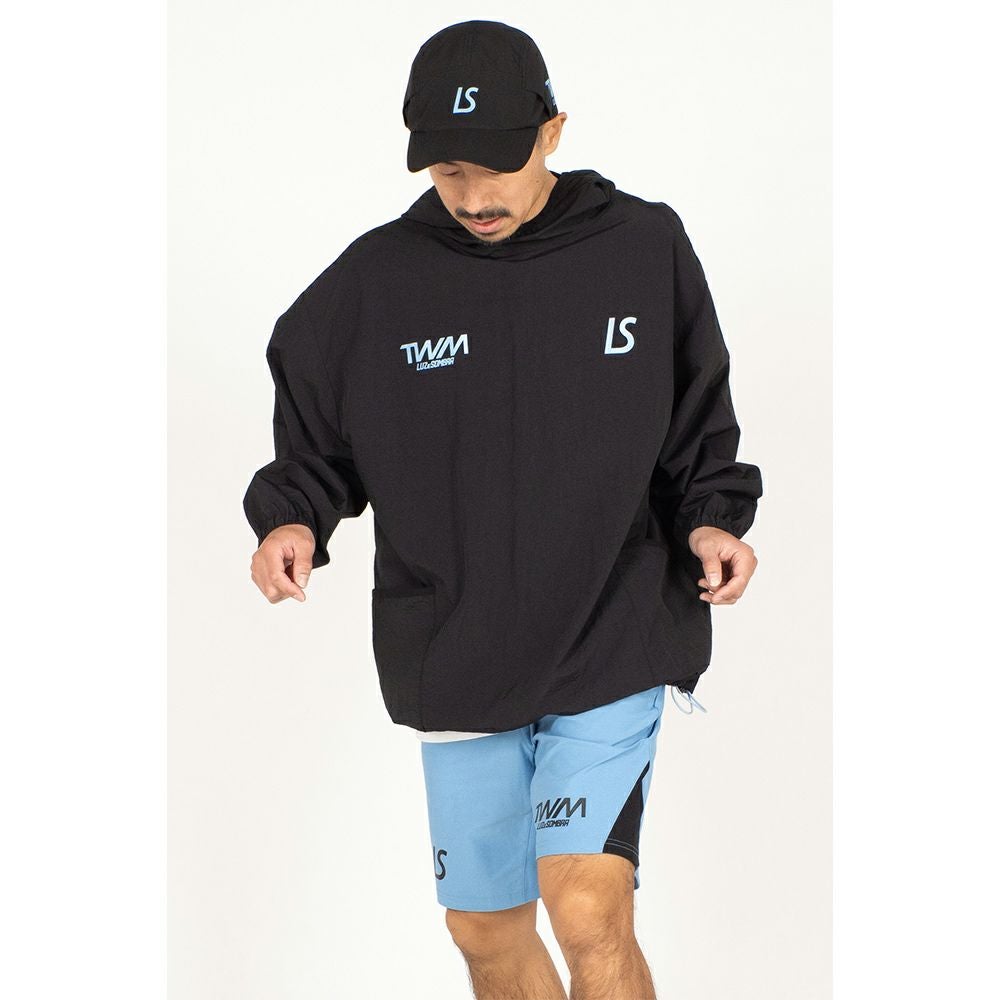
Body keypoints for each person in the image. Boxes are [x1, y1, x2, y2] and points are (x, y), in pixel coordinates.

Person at [243, 18, 763, 1000]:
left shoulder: (641, 246)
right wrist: (293, 516)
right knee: (485, 930)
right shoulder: (379, 278)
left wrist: (710, 517)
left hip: (609, 621)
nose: (475, 197)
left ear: (552, 132)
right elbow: (318, 424)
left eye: (496, 167)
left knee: (587, 904)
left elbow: (697, 411)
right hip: (459, 641)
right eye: (449, 172)